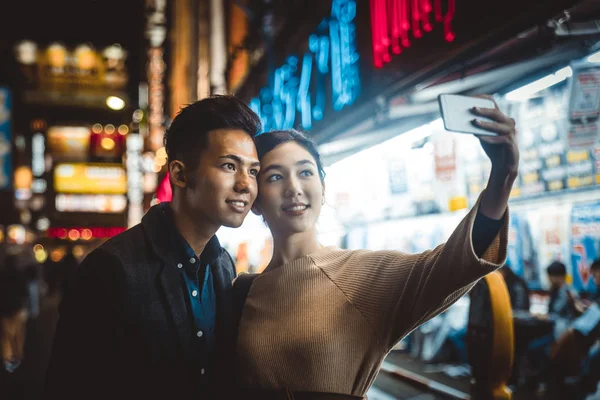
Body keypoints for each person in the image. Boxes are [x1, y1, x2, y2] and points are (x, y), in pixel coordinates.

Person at [235, 97, 517, 398]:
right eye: (275, 177)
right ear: (255, 200)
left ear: (323, 187)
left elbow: (454, 266)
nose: (294, 188)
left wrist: (503, 174)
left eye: (305, 172)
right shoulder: (241, 291)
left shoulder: (362, 276)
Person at [45, 95, 262, 400]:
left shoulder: (222, 264)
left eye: (253, 171)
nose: (245, 184)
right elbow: (68, 384)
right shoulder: (112, 268)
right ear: (179, 174)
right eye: (229, 166)